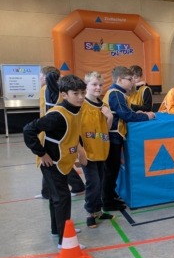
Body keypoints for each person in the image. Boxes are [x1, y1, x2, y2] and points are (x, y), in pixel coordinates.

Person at [23, 75, 88, 249]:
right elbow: (28, 129)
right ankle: (64, 241)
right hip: (52, 164)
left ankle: (58, 229)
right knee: (62, 198)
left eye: (83, 92)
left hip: (64, 161)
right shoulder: (57, 115)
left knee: (56, 199)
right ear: (64, 94)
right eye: (76, 93)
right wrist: (41, 153)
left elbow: (74, 133)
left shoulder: (77, 109)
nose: (81, 97)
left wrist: (81, 151)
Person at [102, 66, 155, 211]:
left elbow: (126, 110)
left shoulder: (119, 93)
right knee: (111, 169)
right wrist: (146, 116)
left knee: (113, 168)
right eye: (130, 79)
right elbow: (125, 115)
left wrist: (137, 112)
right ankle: (107, 202)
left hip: (115, 135)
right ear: (120, 80)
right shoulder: (115, 94)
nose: (133, 82)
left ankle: (110, 195)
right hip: (113, 135)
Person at [35, 67, 85, 200]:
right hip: (46, 128)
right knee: (48, 163)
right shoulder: (45, 90)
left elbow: (52, 79)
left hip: (57, 129)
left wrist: (55, 76)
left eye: (41, 76)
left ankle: (78, 186)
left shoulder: (53, 90)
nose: (39, 78)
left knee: (58, 161)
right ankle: (46, 192)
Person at [80, 72, 115, 228]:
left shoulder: (103, 105)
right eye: (94, 84)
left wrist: (110, 117)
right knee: (93, 183)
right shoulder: (81, 105)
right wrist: (79, 152)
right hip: (87, 152)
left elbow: (105, 129)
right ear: (86, 85)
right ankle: (90, 212)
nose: (98, 87)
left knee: (100, 182)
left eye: (100, 85)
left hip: (101, 149)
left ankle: (98, 211)